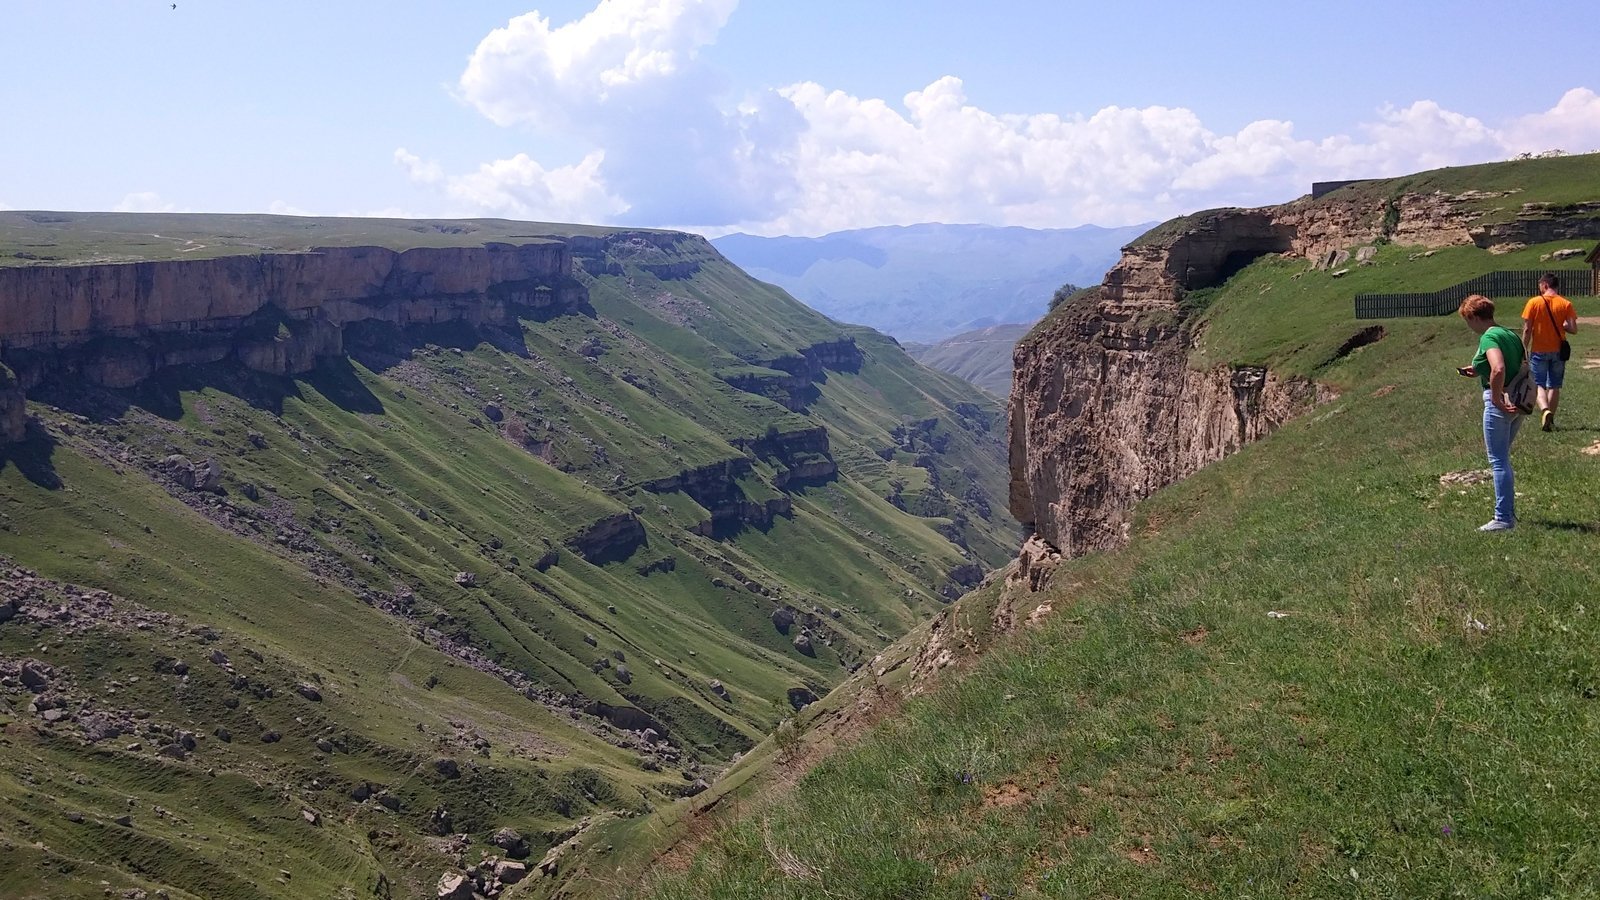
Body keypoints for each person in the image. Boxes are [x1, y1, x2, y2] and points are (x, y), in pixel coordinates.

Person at [1458, 294, 1525, 531]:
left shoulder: (1488, 337)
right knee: (1503, 459)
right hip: (1518, 402)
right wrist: (1478, 370)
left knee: (1498, 461)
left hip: (1500, 403)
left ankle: (1503, 518)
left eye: (1467, 320)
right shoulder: (1509, 334)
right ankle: (1508, 513)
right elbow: (1516, 364)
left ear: (1474, 317)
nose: (1469, 326)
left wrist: (1496, 398)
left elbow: (1499, 367)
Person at [1520, 272, 1578, 431]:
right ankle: (1550, 420)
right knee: (1554, 386)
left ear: (1545, 285)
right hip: (1559, 351)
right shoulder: (1566, 303)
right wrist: (1564, 326)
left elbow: (1527, 330)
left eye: (1540, 286)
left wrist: (1523, 348)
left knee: (1538, 384)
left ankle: (1545, 410)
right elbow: (1573, 329)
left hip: (1539, 350)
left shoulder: (1533, 302)